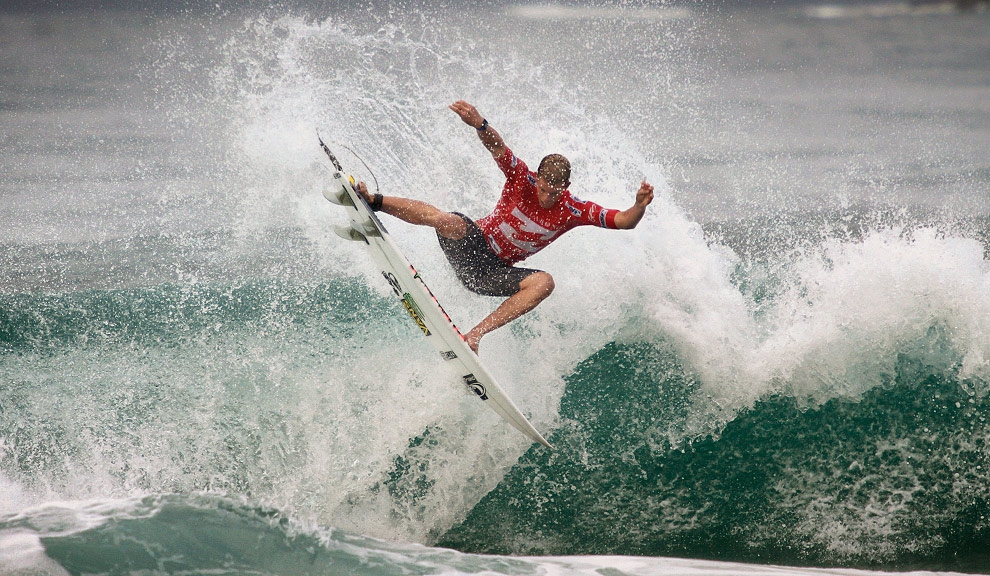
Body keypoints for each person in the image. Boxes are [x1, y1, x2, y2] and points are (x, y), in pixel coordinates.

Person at [358, 100, 654, 354]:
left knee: (544, 282)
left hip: (494, 274)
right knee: (448, 220)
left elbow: (624, 221)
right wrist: (480, 124)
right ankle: (374, 200)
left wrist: (639, 206)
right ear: (537, 177)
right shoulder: (520, 178)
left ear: (567, 186)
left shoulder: (573, 210)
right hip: (471, 247)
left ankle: (474, 335)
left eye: (556, 191)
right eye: (544, 188)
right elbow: (498, 147)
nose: (548, 196)